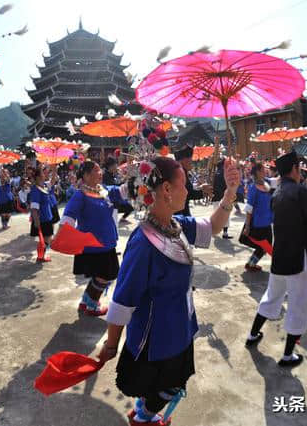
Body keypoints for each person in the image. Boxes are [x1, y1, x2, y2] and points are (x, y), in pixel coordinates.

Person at [97, 156, 239, 426]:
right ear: (166, 190)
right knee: (169, 385)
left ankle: (144, 409)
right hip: (158, 339)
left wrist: (230, 192)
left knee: (170, 382)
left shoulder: (176, 225)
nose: (188, 190)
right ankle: (143, 417)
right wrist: (111, 345)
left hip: (181, 325)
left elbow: (213, 227)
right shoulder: (143, 243)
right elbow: (122, 303)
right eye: (184, 183)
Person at [245, 151, 307, 368]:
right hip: (299, 256)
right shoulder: (300, 191)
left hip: (280, 256)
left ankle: (252, 334)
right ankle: (287, 356)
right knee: (298, 304)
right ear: (295, 169)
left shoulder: (276, 193)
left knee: (272, 297)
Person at [58, 161, 119, 316]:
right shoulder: (81, 195)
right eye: (97, 170)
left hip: (107, 241)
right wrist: (63, 235)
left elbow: (120, 192)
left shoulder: (103, 190)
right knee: (104, 276)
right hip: (94, 244)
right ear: (86, 175)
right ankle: (92, 305)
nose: (101, 173)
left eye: (100, 170)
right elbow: (69, 215)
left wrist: (135, 182)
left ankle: (86, 301)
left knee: (102, 275)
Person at [241, 163, 273, 272]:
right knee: (264, 246)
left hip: (267, 222)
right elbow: (249, 209)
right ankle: (251, 264)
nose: (266, 171)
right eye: (263, 170)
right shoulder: (253, 188)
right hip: (257, 224)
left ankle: (251, 263)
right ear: (258, 172)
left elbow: (279, 179)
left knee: (266, 245)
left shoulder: (267, 183)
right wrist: (247, 226)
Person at [173, 144, 212, 217]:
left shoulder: (181, 171)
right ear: (183, 160)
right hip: (180, 213)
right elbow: (189, 194)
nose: (191, 162)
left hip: (181, 211)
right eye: (190, 160)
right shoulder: (180, 173)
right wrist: (203, 192)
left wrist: (201, 188)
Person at [29, 166, 55, 263]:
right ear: (39, 177)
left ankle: (41, 256)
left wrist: (54, 167)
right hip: (42, 218)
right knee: (45, 239)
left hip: (47, 216)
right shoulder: (35, 190)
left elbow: (52, 181)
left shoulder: (43, 185)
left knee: (46, 238)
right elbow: (34, 207)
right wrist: (36, 220)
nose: (45, 175)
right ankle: (40, 257)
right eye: (43, 174)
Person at [212, 159, 232, 239]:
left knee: (216, 215)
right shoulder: (224, 174)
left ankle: (213, 231)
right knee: (225, 216)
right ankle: (225, 233)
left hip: (215, 197)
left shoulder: (215, 174)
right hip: (223, 198)